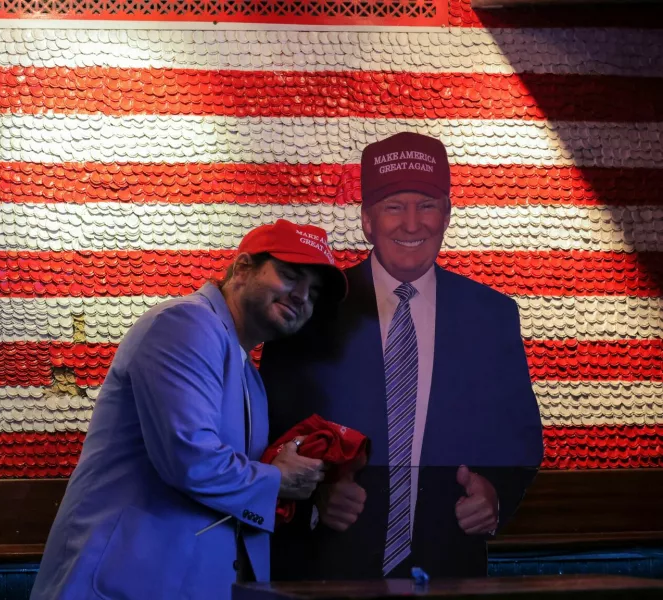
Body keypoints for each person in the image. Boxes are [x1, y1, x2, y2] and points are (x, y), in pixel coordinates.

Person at [260, 132, 544, 579]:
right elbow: (268, 434)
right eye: (394, 207)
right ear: (368, 221)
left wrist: (494, 493)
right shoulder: (312, 309)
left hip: (450, 573)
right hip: (328, 575)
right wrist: (313, 496)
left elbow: (521, 439)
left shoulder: (492, 316)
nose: (412, 224)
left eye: (427, 205)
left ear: (447, 215)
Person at [30, 219, 349, 600]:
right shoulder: (185, 322)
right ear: (243, 269)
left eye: (313, 293)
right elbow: (190, 458)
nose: (301, 297)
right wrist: (276, 480)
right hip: (124, 585)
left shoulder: (246, 370)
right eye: (289, 275)